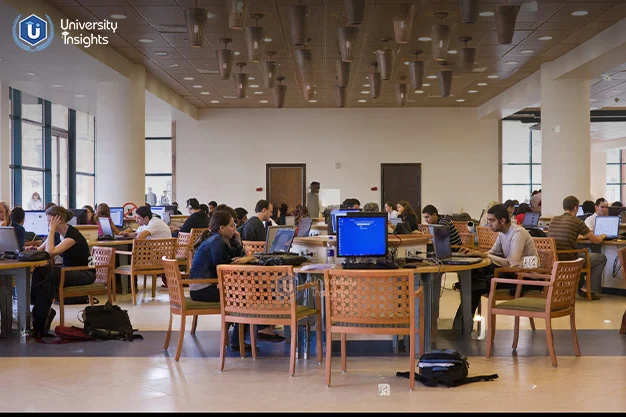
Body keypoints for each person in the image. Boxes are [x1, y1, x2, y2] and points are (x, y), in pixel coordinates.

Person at [456, 204, 538, 330]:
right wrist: (478, 254)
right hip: (511, 272)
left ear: (503, 221)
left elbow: (513, 264)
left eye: (492, 221)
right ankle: (463, 324)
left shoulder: (518, 233)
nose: (489, 224)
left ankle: (462, 325)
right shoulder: (502, 233)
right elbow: (492, 254)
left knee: (476, 284)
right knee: (475, 274)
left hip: (524, 276)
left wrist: (483, 254)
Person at [30, 206, 95, 338]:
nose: (48, 224)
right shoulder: (59, 234)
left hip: (84, 273)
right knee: (41, 273)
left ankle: (40, 319)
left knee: (44, 275)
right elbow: (42, 249)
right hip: (69, 271)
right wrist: (33, 249)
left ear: (57, 219)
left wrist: (52, 230)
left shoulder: (72, 235)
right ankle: (40, 319)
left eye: (49, 221)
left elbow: (50, 253)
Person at [547, 195, 606, 300]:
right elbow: (596, 241)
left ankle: (582, 287)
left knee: (587, 256)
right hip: (570, 258)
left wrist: (578, 236)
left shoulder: (553, 220)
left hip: (555, 258)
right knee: (601, 258)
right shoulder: (576, 221)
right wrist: (602, 236)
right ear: (575, 208)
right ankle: (587, 289)